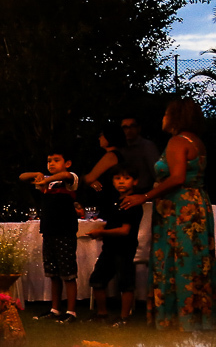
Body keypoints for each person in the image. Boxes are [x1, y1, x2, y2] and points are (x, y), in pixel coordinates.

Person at [121, 99, 215, 331]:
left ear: (176, 117)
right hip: (197, 205)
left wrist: (144, 196)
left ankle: (176, 320)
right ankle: (196, 317)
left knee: (178, 260)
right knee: (195, 262)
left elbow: (177, 177)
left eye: (166, 114)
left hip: (179, 211)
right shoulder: (197, 142)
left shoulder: (177, 141)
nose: (162, 118)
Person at [20, 148, 80, 322]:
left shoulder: (69, 180)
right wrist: (39, 175)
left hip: (65, 231)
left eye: (56, 160)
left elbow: (67, 176)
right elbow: (22, 177)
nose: (51, 164)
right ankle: (55, 309)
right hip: (49, 231)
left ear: (67, 163)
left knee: (68, 273)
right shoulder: (48, 182)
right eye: (49, 161)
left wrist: (46, 179)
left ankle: (71, 311)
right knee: (53, 273)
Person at [86, 164, 142, 325]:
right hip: (109, 247)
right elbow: (113, 223)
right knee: (97, 279)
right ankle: (102, 314)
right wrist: (102, 228)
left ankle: (124, 318)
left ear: (135, 181)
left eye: (126, 178)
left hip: (124, 248)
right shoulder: (115, 201)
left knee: (125, 283)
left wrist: (101, 233)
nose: (121, 182)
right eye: (118, 178)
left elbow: (125, 230)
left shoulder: (132, 203)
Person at [82, 121, 125, 206]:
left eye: (101, 135)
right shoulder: (111, 154)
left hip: (107, 199)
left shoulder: (111, 155)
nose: (99, 138)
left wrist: (82, 179)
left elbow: (90, 178)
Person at [120, 114, 160, 194]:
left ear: (138, 128)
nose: (128, 130)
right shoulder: (121, 147)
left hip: (144, 193)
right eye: (125, 128)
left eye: (132, 126)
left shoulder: (147, 146)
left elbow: (157, 172)